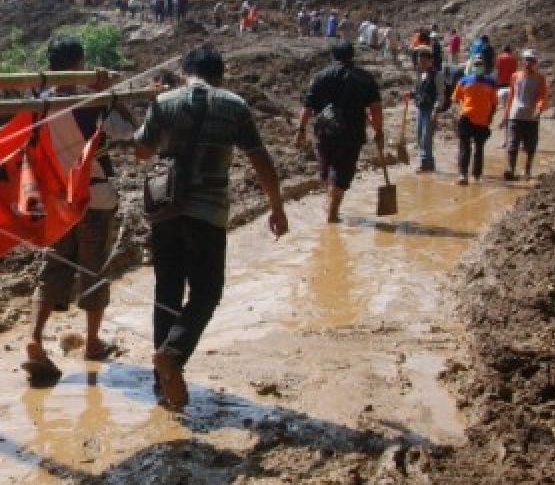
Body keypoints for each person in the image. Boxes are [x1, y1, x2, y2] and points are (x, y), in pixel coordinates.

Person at [134, 44, 289, 410]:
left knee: (167, 294)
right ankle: (172, 355)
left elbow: (141, 151)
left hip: (165, 211)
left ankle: (162, 386)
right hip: (208, 212)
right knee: (207, 292)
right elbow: (259, 158)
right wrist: (276, 206)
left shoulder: (164, 102)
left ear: (185, 69)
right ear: (221, 74)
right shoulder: (235, 106)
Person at [21, 36, 138, 386]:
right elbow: (130, 131)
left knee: (54, 266)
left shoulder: (38, 104)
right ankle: (92, 342)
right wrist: (111, 94)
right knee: (94, 268)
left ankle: (35, 337)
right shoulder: (92, 102)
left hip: (56, 199)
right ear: (77, 65)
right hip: (92, 196)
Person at [295, 41, 384, 222]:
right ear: (352, 56)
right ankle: (332, 213)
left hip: (324, 132)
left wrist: (301, 129)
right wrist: (379, 131)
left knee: (328, 170)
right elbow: (375, 109)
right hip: (351, 134)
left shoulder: (320, 77)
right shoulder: (365, 78)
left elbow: (308, 106)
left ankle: (331, 202)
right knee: (342, 173)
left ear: (333, 56)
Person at [501, 48, 548, 181]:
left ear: (535, 62)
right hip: (515, 115)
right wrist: (506, 114)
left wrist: (539, 108)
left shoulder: (540, 78)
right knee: (512, 143)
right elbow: (511, 95)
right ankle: (510, 169)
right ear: (522, 61)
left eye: (532, 61)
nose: (529, 63)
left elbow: (542, 95)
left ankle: (527, 169)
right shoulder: (515, 76)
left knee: (530, 145)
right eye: (527, 60)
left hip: (531, 116)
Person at [451, 56, 498, 185]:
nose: (478, 67)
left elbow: (494, 103)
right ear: (472, 66)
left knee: (479, 148)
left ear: (484, 66)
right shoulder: (464, 80)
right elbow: (455, 98)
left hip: (483, 120)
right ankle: (463, 175)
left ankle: (477, 175)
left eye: (480, 64)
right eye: (476, 64)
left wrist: (490, 117)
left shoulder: (491, 82)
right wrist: (459, 113)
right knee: (465, 147)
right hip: (466, 117)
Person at [411, 44, 443, 172]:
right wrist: (412, 95)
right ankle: (429, 163)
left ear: (430, 61)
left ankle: (425, 164)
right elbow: (419, 90)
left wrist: (436, 110)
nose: (421, 64)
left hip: (430, 109)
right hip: (421, 108)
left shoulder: (437, 75)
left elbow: (441, 94)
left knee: (426, 137)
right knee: (420, 136)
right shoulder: (420, 74)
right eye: (420, 62)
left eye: (424, 61)